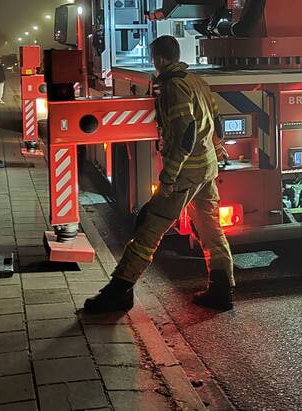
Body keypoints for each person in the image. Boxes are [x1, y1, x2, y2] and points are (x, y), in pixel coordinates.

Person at [83, 35, 235, 313]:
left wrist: (168, 177)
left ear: (161, 59)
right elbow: (217, 122)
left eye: (155, 59)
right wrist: (218, 149)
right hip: (206, 170)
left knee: (149, 229)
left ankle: (119, 291)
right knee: (212, 232)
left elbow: (186, 134)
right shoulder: (197, 82)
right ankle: (222, 291)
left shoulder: (174, 87)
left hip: (185, 174)